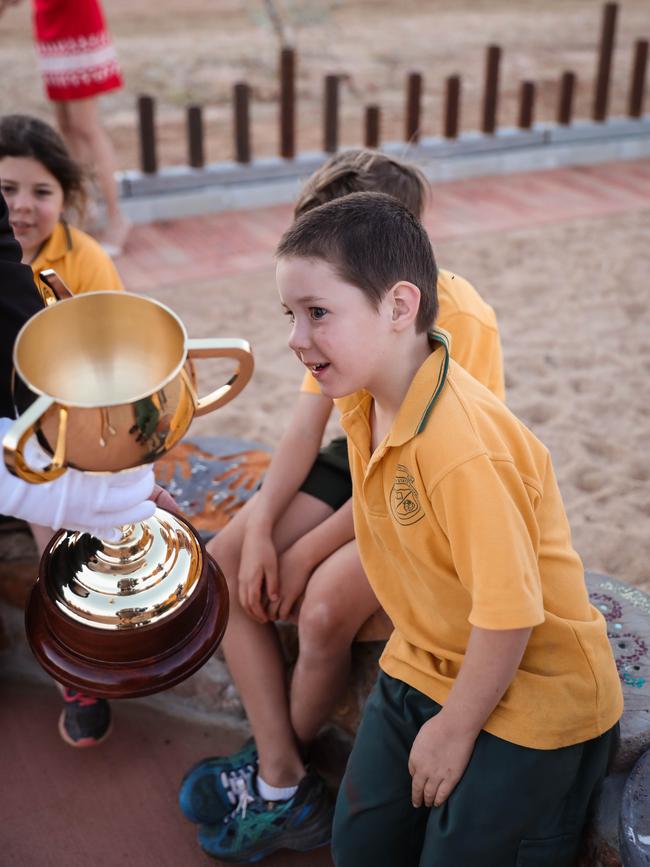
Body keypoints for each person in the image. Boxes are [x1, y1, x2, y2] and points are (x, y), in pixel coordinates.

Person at [274, 192, 620, 866]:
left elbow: (511, 614)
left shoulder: (462, 448)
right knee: (361, 845)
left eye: (318, 312)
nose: (296, 337)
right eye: (290, 314)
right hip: (430, 658)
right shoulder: (363, 399)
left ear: (401, 307)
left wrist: (456, 728)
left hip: (536, 691)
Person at [178, 150, 506, 861]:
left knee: (321, 607)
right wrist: (263, 526)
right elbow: (305, 429)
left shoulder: (459, 321)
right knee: (222, 567)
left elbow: (408, 470)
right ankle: (282, 768)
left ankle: (280, 767)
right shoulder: (334, 318)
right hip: (357, 455)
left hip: (424, 487)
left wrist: (305, 551)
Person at [0, 113, 125, 295]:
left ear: (64, 200)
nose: (22, 205)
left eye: (42, 192)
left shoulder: (88, 261)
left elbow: (111, 322)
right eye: (7, 188)